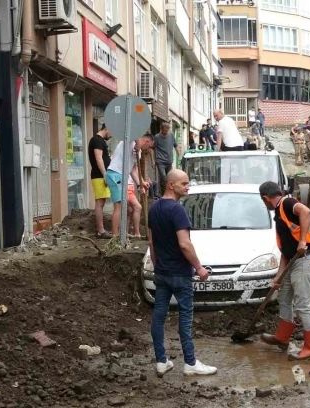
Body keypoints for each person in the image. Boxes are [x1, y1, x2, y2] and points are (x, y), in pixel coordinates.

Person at [148, 169, 217, 377]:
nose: (188, 186)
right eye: (184, 183)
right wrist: (199, 267)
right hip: (180, 273)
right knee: (185, 316)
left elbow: (151, 242)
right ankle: (190, 363)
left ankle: (161, 361)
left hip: (162, 273)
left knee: (159, 315)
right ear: (171, 185)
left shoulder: (154, 208)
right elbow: (185, 244)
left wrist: (157, 265)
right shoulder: (177, 210)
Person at [258, 181, 310, 360]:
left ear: (265, 198)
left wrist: (302, 241)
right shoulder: (279, 213)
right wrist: (278, 276)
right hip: (293, 261)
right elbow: (286, 253)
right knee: (284, 297)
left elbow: (306, 211)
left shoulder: (286, 203)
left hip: (306, 260)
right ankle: (283, 337)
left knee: (302, 304)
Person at [106, 133, 155, 237]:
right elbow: (132, 131)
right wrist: (137, 144)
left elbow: (133, 169)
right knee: (118, 206)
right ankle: (114, 236)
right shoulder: (130, 141)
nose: (149, 149)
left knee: (127, 208)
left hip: (122, 176)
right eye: (150, 146)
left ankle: (123, 234)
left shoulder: (139, 152)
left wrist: (140, 184)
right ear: (147, 141)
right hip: (115, 174)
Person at [88, 124, 113, 238]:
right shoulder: (97, 140)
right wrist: (105, 175)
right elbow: (98, 158)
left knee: (101, 202)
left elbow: (103, 158)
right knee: (99, 202)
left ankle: (101, 229)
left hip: (100, 175)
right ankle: (100, 230)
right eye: (111, 133)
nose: (111, 136)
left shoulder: (99, 141)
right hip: (99, 175)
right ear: (107, 129)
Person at [154, 123, 181, 195]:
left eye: (167, 131)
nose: (165, 133)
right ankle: (163, 194)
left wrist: (179, 155)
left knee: (170, 178)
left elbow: (176, 146)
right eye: (164, 132)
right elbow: (153, 148)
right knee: (163, 177)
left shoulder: (171, 135)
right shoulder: (157, 137)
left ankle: (169, 193)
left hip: (169, 161)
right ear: (161, 130)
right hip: (160, 161)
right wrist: (153, 160)